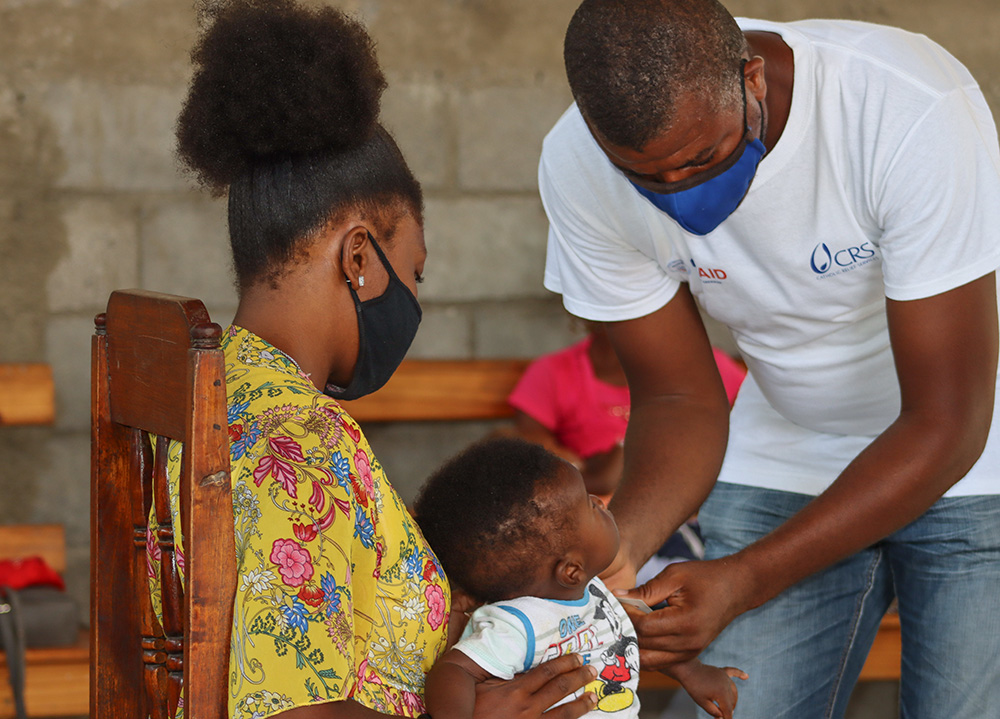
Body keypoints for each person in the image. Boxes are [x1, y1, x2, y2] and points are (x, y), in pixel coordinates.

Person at [538, 0, 1000, 717]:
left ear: (752, 80)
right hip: (788, 446)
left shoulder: (904, 107)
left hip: (975, 457)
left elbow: (948, 421)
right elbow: (679, 400)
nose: (678, 195)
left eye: (701, 159)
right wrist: (616, 551)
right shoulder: (577, 164)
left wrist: (745, 578)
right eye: (645, 177)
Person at [147, 2, 599, 718]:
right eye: (414, 273)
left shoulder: (212, 387)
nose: (415, 299)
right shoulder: (296, 440)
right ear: (360, 257)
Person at [415, 437, 747, 719]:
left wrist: (693, 672)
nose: (598, 502)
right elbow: (454, 670)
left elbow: (624, 641)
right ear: (570, 570)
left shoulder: (593, 591)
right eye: (588, 507)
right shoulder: (517, 625)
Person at [507, 320, 745, 498]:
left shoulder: (703, 364)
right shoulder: (555, 372)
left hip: (692, 507)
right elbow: (527, 451)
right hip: (599, 516)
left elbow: (750, 425)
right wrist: (586, 468)